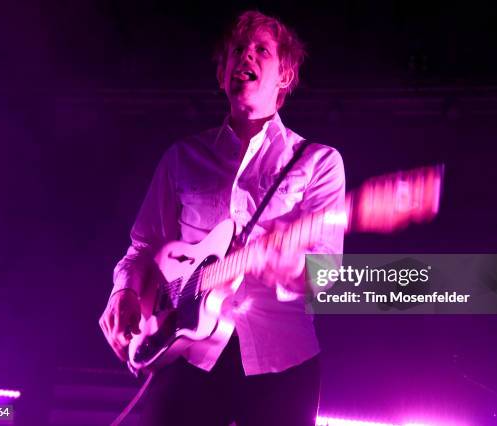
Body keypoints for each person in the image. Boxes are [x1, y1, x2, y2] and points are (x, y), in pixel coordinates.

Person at [100, 10, 346, 425]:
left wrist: (290, 269)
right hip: (184, 357)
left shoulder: (319, 162)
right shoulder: (182, 158)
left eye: (261, 51)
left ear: (284, 76)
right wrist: (122, 293)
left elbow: (327, 276)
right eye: (237, 50)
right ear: (222, 75)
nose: (245, 57)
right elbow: (143, 248)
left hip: (281, 364)